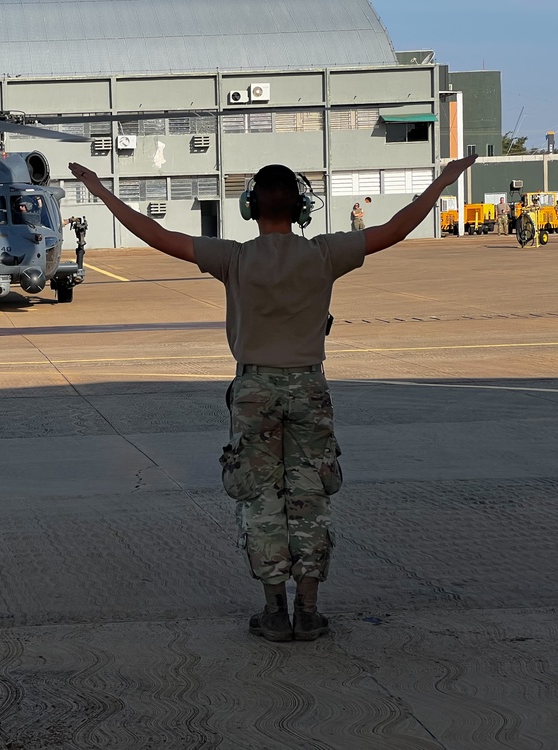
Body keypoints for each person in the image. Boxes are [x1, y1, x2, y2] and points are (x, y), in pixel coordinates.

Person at [67, 154, 477, 642]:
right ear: (302, 207)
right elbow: (398, 227)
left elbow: (155, 234)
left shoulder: (234, 258)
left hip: (254, 389)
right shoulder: (324, 254)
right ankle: (308, 610)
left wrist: (99, 190)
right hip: (308, 385)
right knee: (309, 495)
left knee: (260, 496)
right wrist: (443, 180)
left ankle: (274, 613)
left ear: (250, 207)